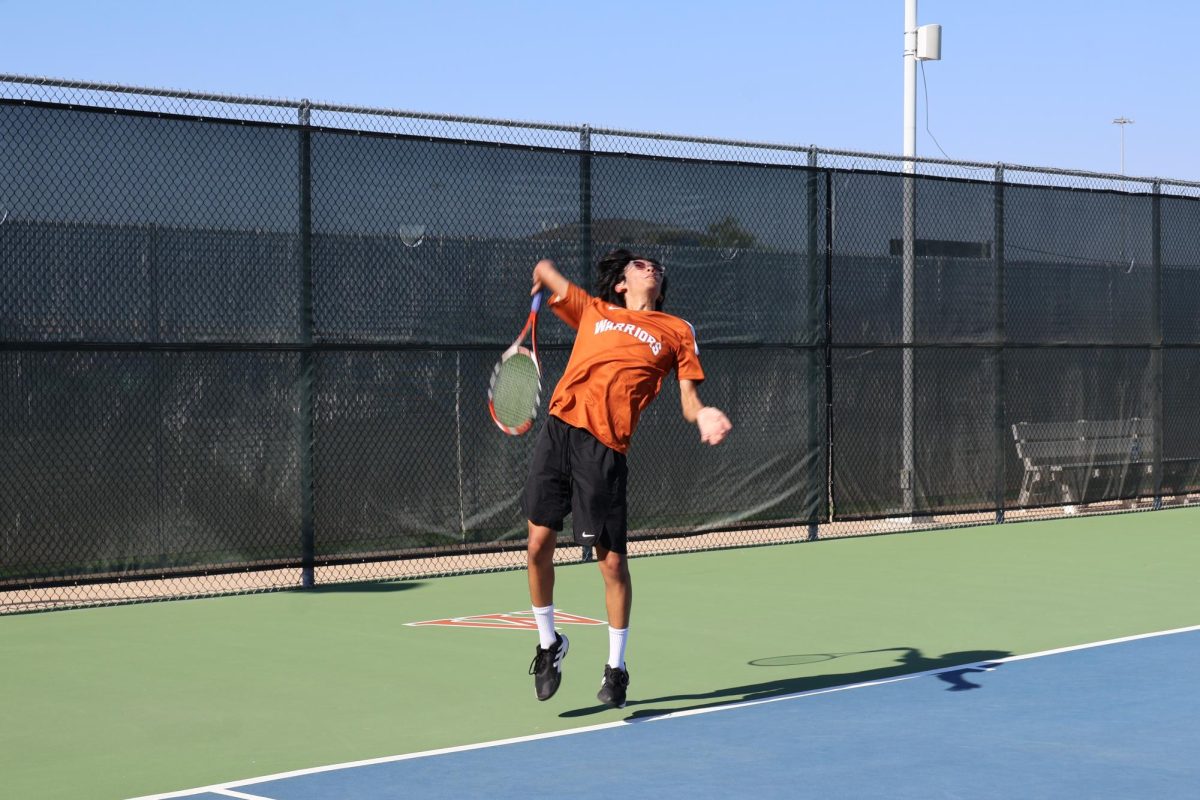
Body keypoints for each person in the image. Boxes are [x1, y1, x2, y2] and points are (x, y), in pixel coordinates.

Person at [523, 249, 732, 709]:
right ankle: (548, 645)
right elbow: (547, 272)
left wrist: (703, 415)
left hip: (606, 450)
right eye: (640, 265)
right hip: (559, 431)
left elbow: (688, 399)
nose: (651, 267)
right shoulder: (594, 311)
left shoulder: (677, 331)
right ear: (620, 282)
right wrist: (542, 274)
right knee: (537, 544)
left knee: (612, 565)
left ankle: (616, 669)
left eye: (656, 266)